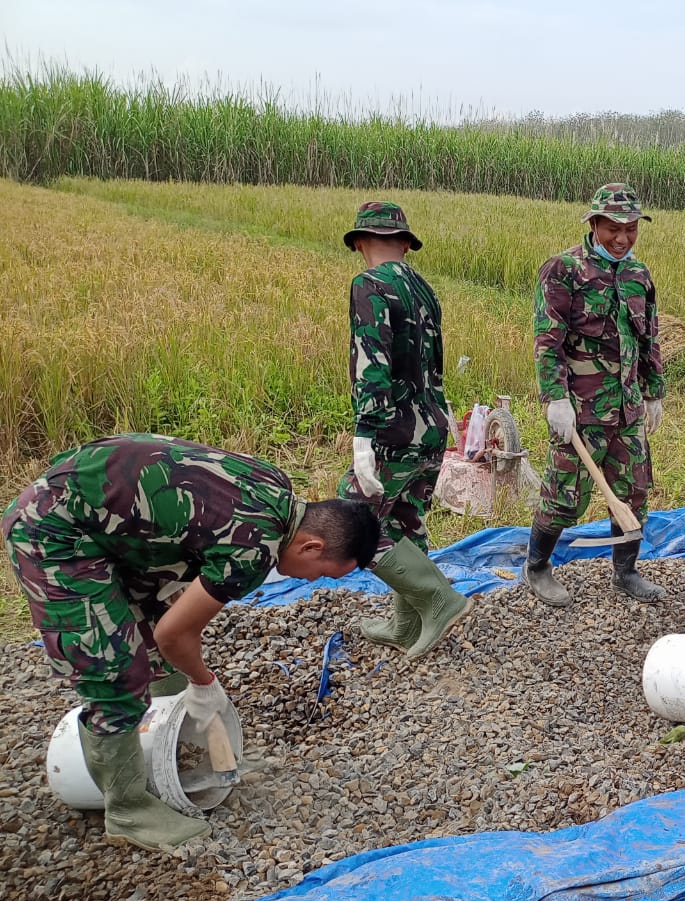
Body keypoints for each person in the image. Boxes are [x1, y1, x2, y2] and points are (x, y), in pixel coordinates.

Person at [2, 434, 380, 851]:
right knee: (114, 674)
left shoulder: (277, 487)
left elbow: (169, 619)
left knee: (153, 626)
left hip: (108, 521)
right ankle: (127, 808)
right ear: (312, 545)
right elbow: (176, 634)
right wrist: (205, 684)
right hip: (55, 532)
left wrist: (190, 680)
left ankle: (172, 735)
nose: (312, 582)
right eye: (323, 573)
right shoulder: (252, 551)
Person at [522, 184, 667, 606]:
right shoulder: (563, 270)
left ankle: (625, 572)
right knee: (565, 495)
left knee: (634, 491)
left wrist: (653, 391)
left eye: (631, 229)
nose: (622, 238)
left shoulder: (639, 276)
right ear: (594, 224)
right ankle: (537, 567)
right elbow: (547, 340)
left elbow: (649, 337)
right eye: (612, 229)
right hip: (580, 410)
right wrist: (555, 399)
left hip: (627, 409)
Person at [338, 200, 472, 657]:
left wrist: (364, 434)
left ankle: (439, 599)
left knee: (350, 519)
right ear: (405, 245)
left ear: (359, 242)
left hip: (394, 430)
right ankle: (403, 624)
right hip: (432, 425)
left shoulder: (368, 285)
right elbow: (430, 365)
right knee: (407, 521)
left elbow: (371, 360)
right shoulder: (425, 289)